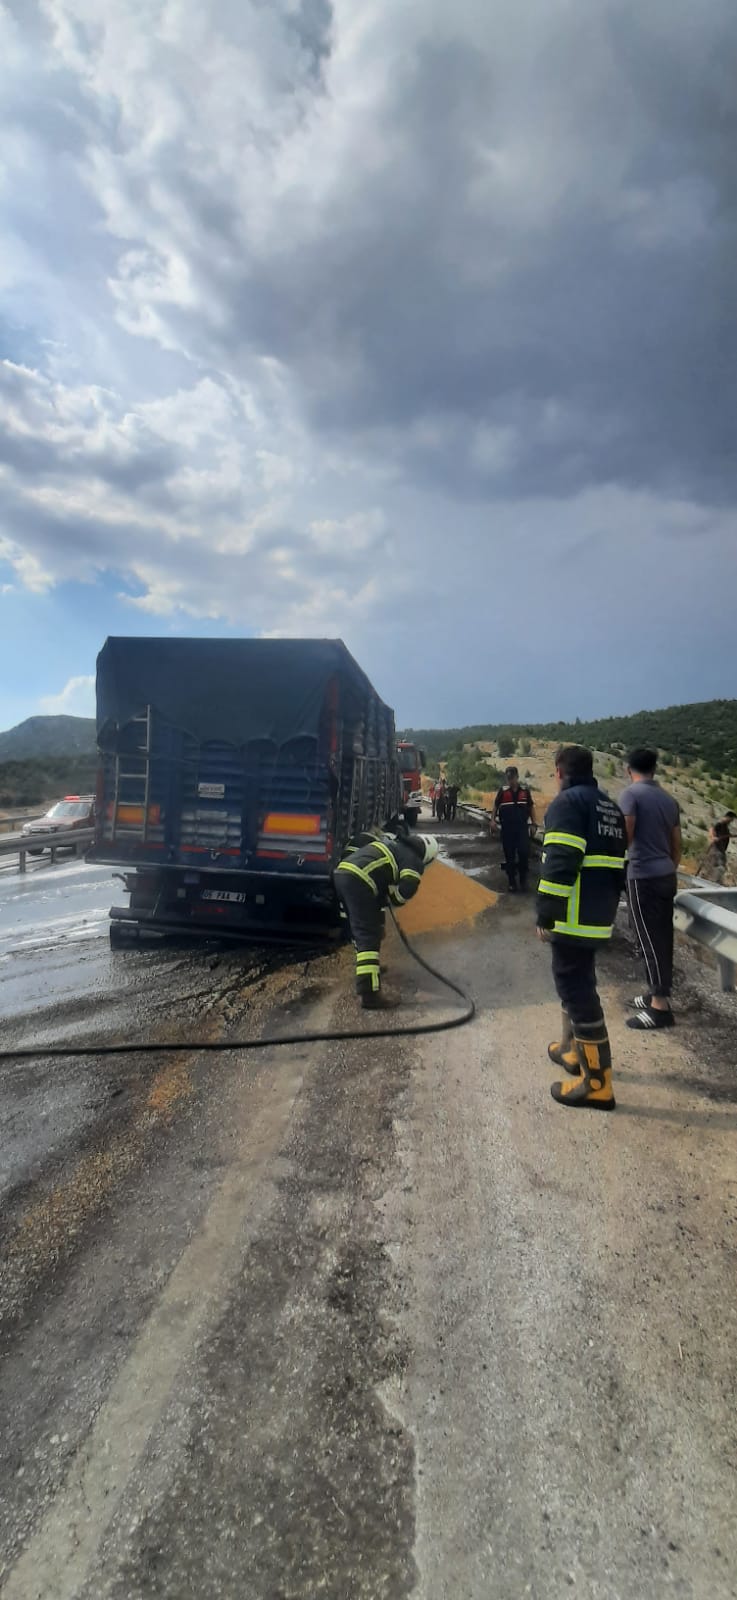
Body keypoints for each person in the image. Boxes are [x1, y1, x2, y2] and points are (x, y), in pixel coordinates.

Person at [537, 745, 626, 1110]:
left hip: (573, 915)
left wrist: (546, 913)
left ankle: (597, 1084)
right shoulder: (609, 806)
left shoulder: (567, 804)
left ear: (560, 771)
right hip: (598, 912)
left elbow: (560, 860)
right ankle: (573, 1051)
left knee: (576, 990)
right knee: (580, 981)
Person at [334, 827, 439, 1008]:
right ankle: (370, 995)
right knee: (368, 935)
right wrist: (394, 900)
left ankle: (369, 970)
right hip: (359, 879)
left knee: (363, 929)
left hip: (342, 874)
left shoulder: (395, 845)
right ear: (427, 855)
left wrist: (383, 908)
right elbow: (408, 885)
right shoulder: (413, 858)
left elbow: (379, 881)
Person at [619, 748, 681, 1031]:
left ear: (627, 768)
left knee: (646, 938)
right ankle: (654, 993)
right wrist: (665, 866)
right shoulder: (668, 800)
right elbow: (676, 847)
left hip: (642, 876)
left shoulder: (630, 795)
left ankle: (660, 1007)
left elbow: (626, 835)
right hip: (666, 873)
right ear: (655, 769)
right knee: (661, 935)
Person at [493, 766, 535, 891]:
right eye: (508, 778)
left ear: (517, 777)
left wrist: (533, 824)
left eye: (512, 778)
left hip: (522, 828)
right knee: (509, 856)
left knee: (523, 854)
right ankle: (512, 882)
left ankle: (523, 880)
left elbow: (531, 807)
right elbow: (495, 806)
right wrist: (492, 821)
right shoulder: (503, 791)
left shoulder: (525, 792)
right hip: (507, 829)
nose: (510, 780)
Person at [696, 819, 731, 885]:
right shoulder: (718, 825)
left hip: (719, 853)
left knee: (717, 871)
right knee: (708, 869)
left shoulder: (726, 830)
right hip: (714, 853)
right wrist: (713, 837)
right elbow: (711, 829)